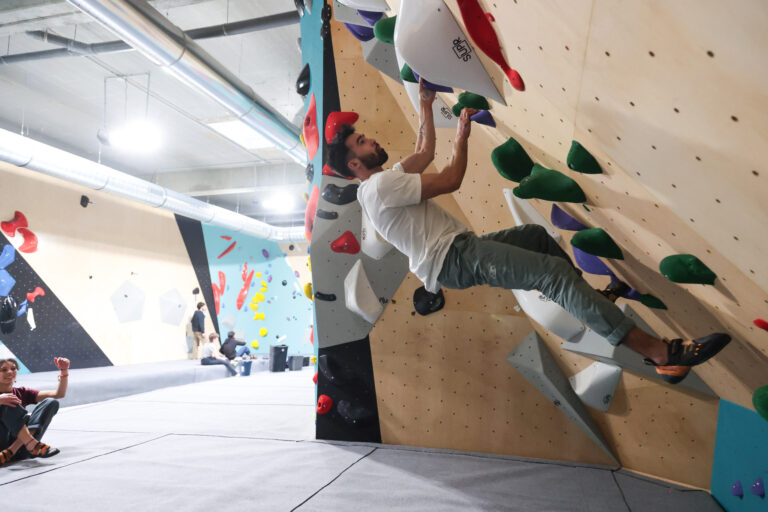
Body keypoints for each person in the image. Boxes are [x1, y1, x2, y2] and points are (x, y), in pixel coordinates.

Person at [325, 79, 731, 384]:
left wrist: (426, 104)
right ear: (355, 165)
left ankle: (590, 300)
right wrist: (463, 137)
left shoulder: (380, 185)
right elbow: (449, 178)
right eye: (362, 142)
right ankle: (662, 354)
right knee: (550, 274)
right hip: (452, 259)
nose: (371, 139)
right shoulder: (378, 187)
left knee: (537, 239)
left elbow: (422, 152)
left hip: (459, 251)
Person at [1, 357, 69, 466]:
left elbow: (58, 394)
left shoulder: (22, 392)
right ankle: (31, 445)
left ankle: (16, 449)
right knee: (7, 401)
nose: (10, 372)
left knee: (51, 402)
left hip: (22, 450)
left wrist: (64, 371)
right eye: (3, 370)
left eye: (13, 368)